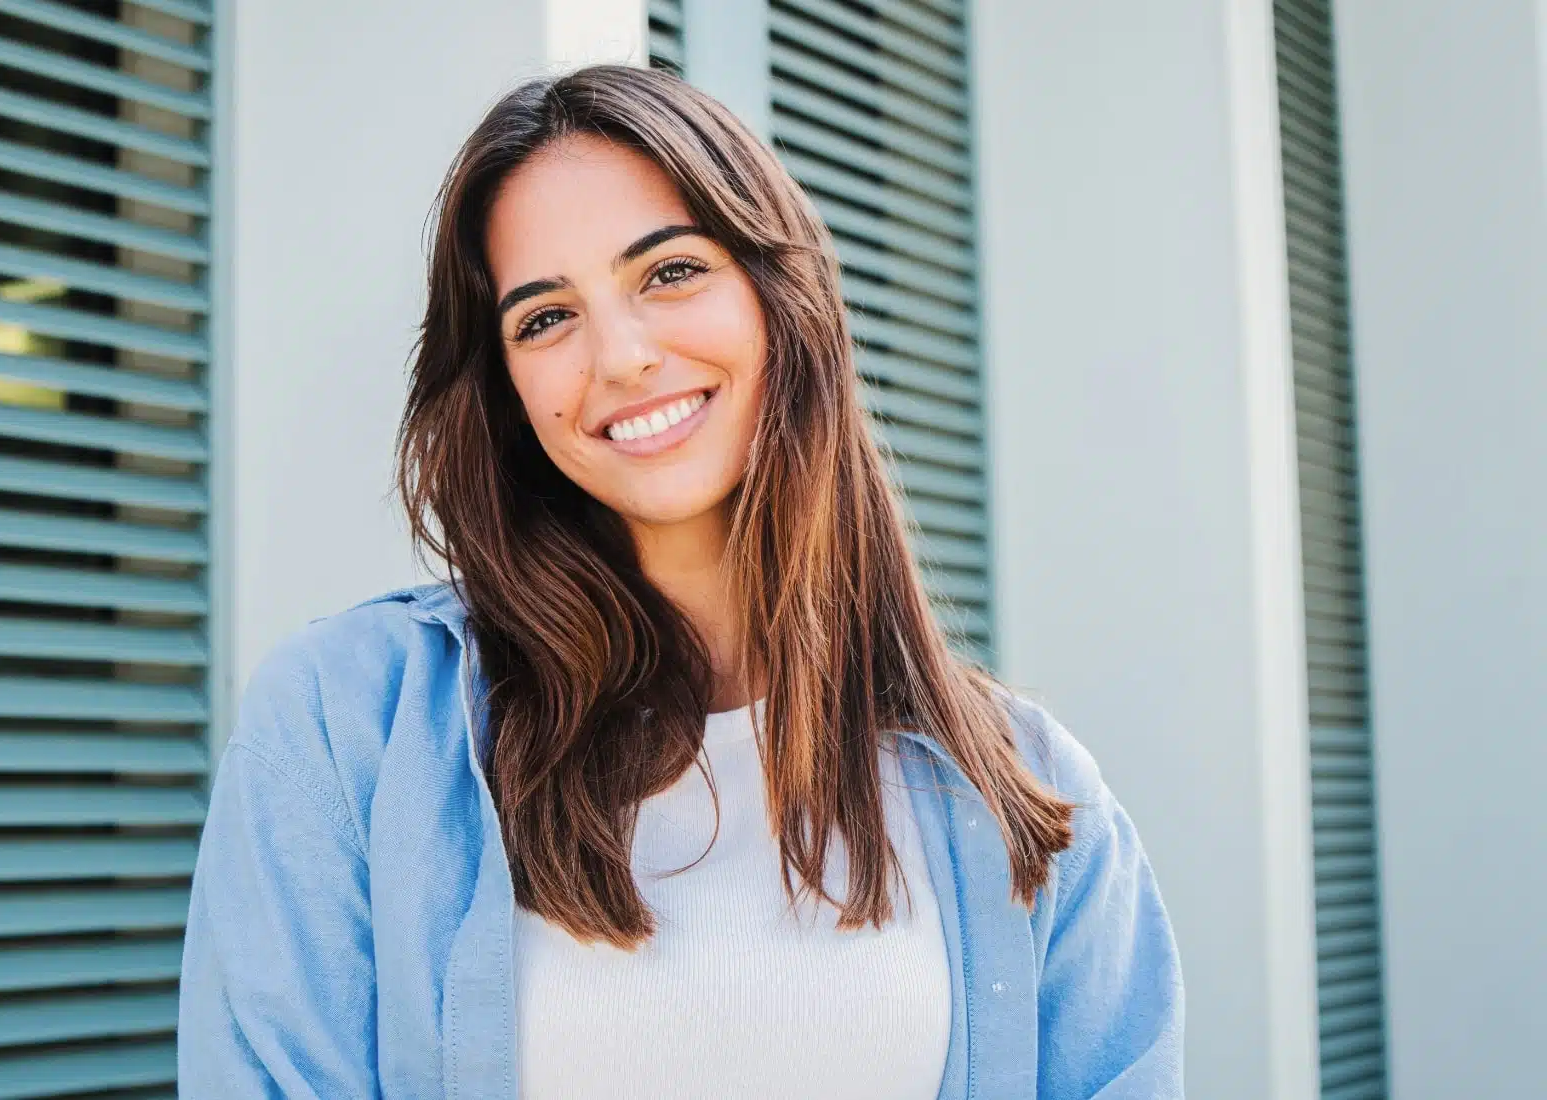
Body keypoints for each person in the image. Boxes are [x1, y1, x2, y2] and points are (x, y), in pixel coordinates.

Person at [178, 65, 1183, 1099]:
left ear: (778, 294)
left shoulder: (1029, 790)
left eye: (668, 272)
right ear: (507, 391)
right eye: (544, 318)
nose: (620, 356)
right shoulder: (345, 725)